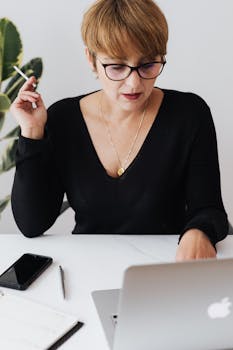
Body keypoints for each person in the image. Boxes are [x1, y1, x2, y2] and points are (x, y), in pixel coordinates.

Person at [10, 0, 228, 261]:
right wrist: (32, 132)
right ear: (91, 60)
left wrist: (199, 231)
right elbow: (32, 224)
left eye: (148, 65)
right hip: (88, 269)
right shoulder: (63, 119)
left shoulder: (190, 113)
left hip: (165, 267)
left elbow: (209, 209)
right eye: (116, 67)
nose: (134, 83)